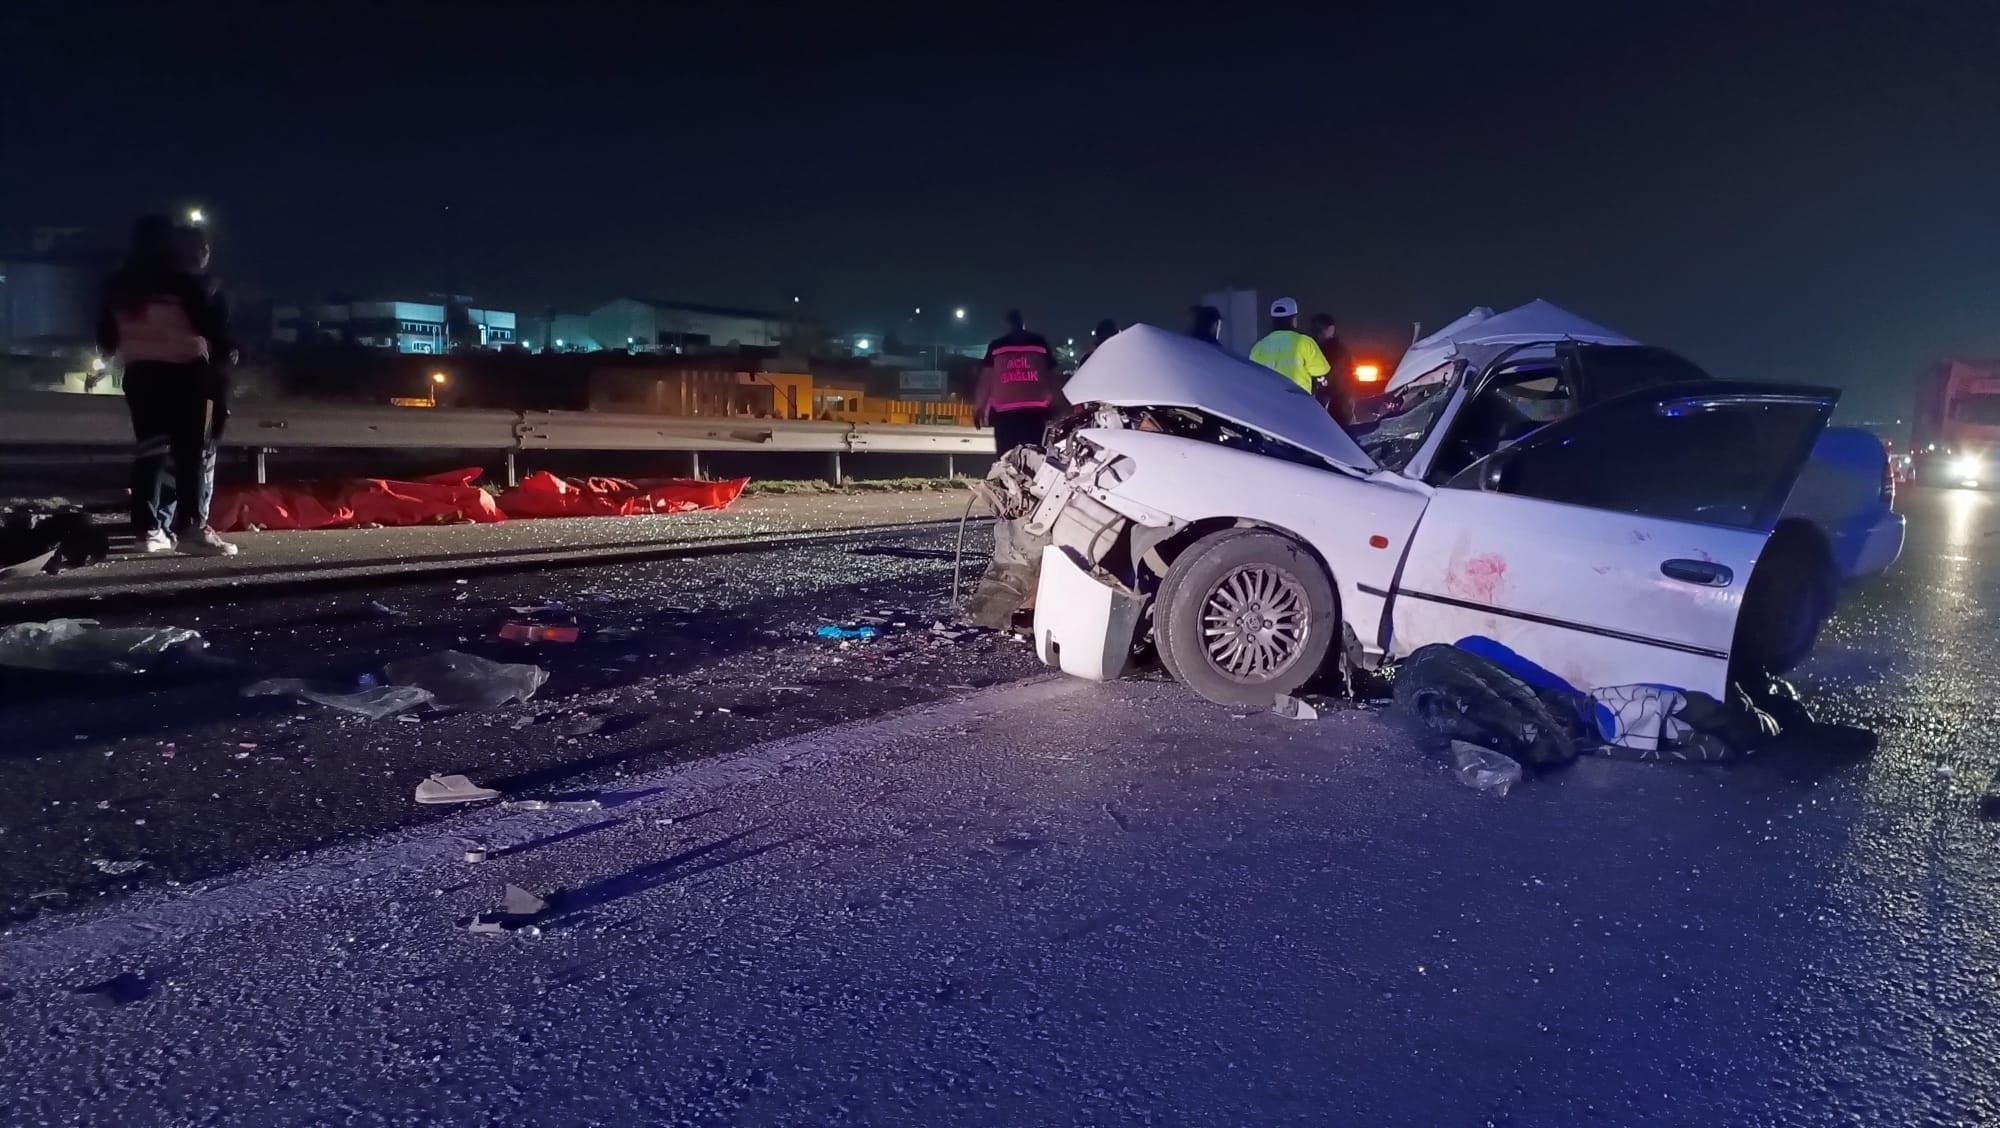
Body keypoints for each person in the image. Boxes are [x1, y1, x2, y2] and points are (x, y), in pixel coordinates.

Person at [98, 215, 238, 556]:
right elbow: (217, 333)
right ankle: (193, 528)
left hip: (141, 375)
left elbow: (105, 339)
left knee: (150, 452)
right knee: (192, 453)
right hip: (188, 376)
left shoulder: (119, 286)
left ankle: (148, 530)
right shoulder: (189, 284)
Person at [973, 308, 1063, 457]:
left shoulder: (997, 347)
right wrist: (1059, 405)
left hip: (1005, 414)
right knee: (1035, 457)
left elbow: (986, 380)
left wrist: (979, 408)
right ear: (1023, 323)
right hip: (1035, 413)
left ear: (1005, 324)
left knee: (1006, 458)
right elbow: (1052, 377)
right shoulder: (1039, 343)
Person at [1248, 296, 1330, 394]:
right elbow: (1321, 373)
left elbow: (1253, 379)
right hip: (1297, 403)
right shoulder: (1304, 342)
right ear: (1294, 319)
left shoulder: (1258, 348)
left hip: (1268, 404)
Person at [1309, 312, 1355, 424]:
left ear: (1331, 329)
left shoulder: (1337, 352)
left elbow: (1331, 377)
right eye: (1314, 330)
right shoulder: (1316, 349)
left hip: (1337, 406)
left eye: (1320, 329)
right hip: (1333, 405)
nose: (1317, 333)